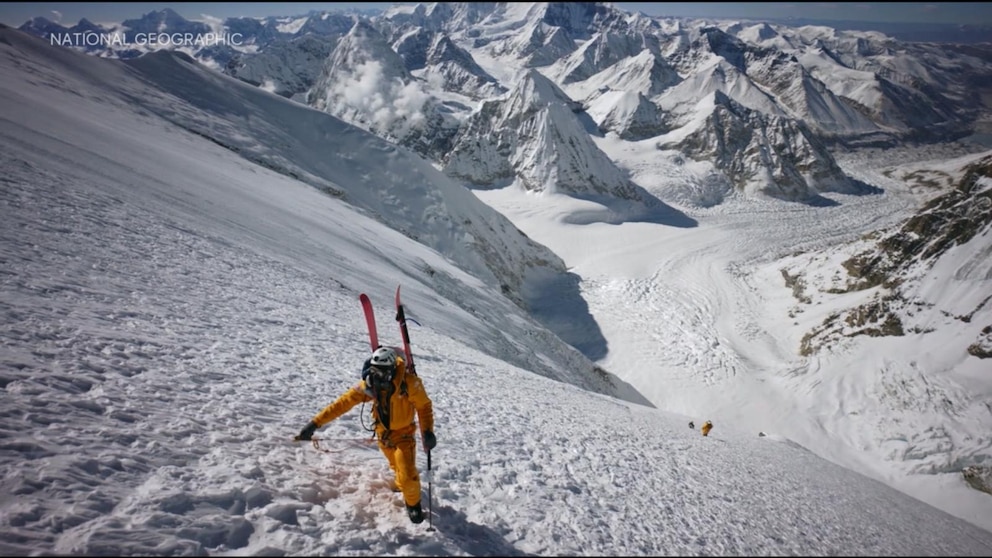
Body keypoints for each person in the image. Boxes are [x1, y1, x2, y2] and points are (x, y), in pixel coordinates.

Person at [294, 346, 436, 524]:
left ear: (392, 369)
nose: (379, 378)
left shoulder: (409, 384)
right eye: (375, 372)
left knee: (407, 473)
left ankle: (413, 506)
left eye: (382, 373)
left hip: (404, 435)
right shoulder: (370, 385)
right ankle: (403, 486)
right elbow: (342, 403)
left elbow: (424, 407)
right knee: (397, 467)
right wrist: (314, 423)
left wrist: (427, 431)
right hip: (383, 435)